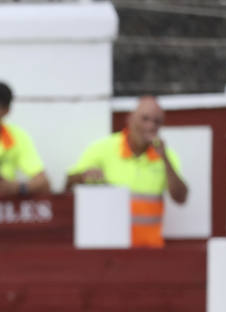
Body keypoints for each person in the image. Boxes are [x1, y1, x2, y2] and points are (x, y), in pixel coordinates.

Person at [65, 96, 187, 248]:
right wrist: (84, 177)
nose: (150, 126)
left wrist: (165, 159)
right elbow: (68, 183)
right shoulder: (104, 148)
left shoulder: (166, 156)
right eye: (145, 119)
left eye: (157, 121)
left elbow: (181, 197)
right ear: (130, 119)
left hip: (150, 249)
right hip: (110, 249)